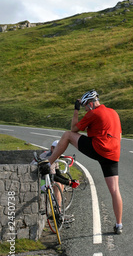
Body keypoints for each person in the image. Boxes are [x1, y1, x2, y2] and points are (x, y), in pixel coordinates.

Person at [39, 89, 123, 235]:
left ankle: (48, 163)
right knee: (115, 190)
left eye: (85, 106)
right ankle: (119, 224)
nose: (85, 109)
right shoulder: (114, 112)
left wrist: (76, 110)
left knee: (67, 135)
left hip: (99, 148)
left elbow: (74, 129)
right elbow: (120, 135)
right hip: (113, 154)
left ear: (90, 104)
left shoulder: (94, 113)